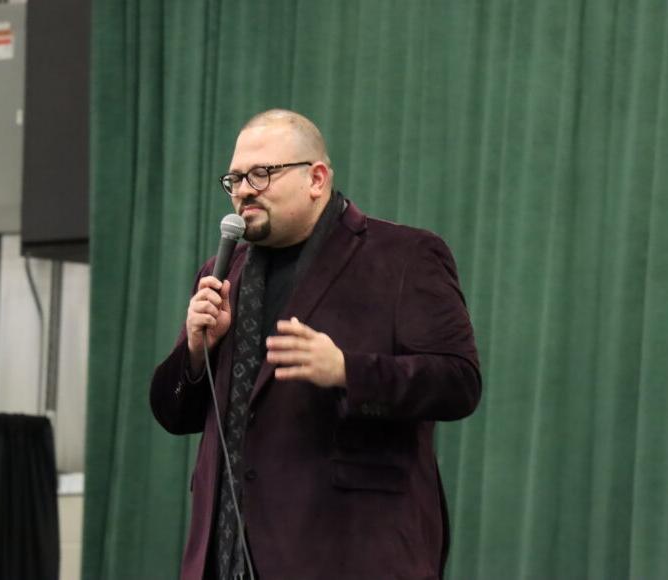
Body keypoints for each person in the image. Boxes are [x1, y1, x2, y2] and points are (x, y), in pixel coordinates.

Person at [150, 109, 481, 580]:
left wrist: (349, 371)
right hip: (227, 555)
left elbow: (458, 382)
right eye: (235, 178)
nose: (244, 190)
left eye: (261, 174)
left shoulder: (405, 256)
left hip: (351, 552)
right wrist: (197, 353)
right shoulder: (221, 272)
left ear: (317, 179)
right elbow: (173, 413)